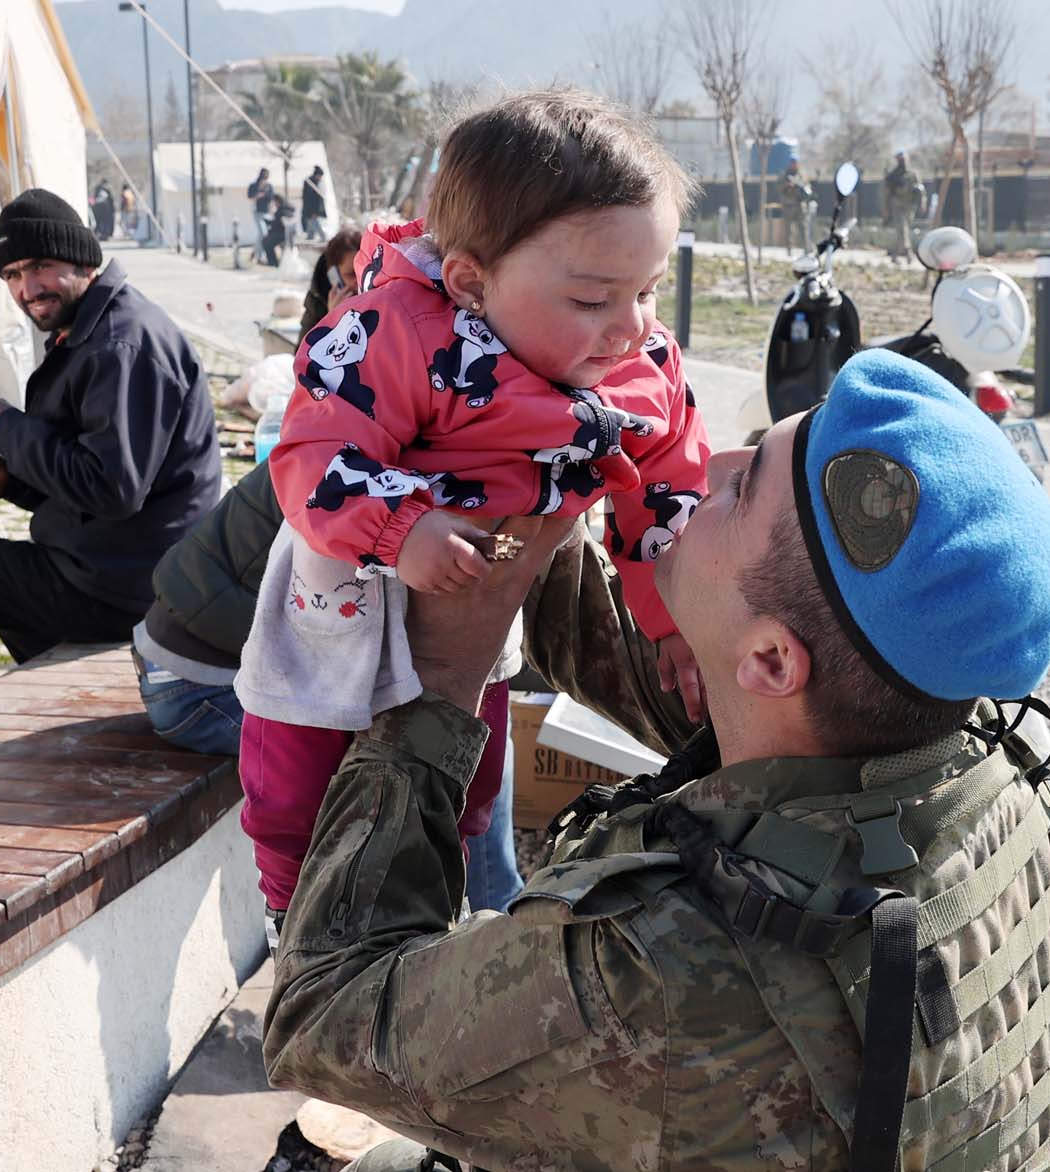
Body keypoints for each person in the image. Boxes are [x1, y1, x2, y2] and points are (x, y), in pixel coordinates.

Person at [261, 348, 1050, 1171]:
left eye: (743, 487)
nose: (710, 467)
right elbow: (663, 654)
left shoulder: (660, 969)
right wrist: (516, 482)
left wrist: (439, 690)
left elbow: (318, 1018)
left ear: (774, 662)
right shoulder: (970, 757)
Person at [234, 89, 710, 924]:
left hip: (478, 607)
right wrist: (398, 524)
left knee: (470, 773)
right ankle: (291, 913)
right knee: (296, 779)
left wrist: (671, 621)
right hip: (348, 593)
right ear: (471, 283)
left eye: (650, 292)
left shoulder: (638, 369)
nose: (632, 329)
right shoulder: (396, 333)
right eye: (595, 299)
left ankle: (435, 909)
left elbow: (670, 484)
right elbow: (312, 455)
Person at [131, 463, 524, 912]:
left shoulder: (469, 445)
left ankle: (475, 902)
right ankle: (487, 904)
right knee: (429, 746)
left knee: (467, 732)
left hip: (240, 643)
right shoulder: (360, 463)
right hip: (197, 677)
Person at [0, 188, 221, 699]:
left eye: (41, 266)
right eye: (13, 275)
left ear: (83, 259)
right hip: (113, 568)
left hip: (132, 587)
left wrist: (2, 426)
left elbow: (111, 489)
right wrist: (5, 477)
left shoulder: (120, 345)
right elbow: (85, 471)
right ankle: (51, 675)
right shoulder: (90, 332)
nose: (28, 288)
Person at [298, 226, 362, 337]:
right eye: (351, 274)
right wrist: (332, 320)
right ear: (334, 275)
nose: (360, 281)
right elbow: (302, 351)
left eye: (363, 272)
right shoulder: (317, 300)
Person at [884, 150, 923, 258]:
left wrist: (922, 203)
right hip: (897, 205)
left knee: (904, 230)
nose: (903, 161)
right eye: (901, 159)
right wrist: (886, 208)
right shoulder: (893, 175)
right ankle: (908, 252)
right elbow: (887, 193)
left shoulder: (913, 174)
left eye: (904, 159)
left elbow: (920, 190)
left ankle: (895, 254)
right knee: (902, 228)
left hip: (909, 205)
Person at [247, 167, 274, 248]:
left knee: (263, 234)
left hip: (267, 212)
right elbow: (250, 196)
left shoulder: (269, 186)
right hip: (257, 211)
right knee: (263, 233)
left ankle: (256, 253)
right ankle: (261, 255)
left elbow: (272, 198)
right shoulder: (254, 185)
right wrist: (258, 194)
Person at [301, 165, 329, 241]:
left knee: (312, 223)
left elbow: (319, 198)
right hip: (310, 208)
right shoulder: (309, 183)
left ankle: (311, 237)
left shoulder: (318, 183)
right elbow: (308, 198)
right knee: (313, 222)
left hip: (315, 208)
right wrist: (313, 210)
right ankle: (322, 237)